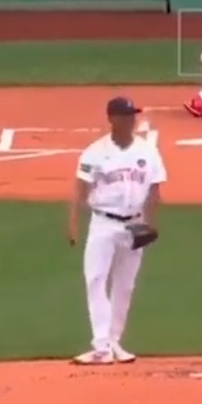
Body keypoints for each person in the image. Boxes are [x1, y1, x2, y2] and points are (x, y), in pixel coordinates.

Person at [69, 96, 167, 366]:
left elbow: (155, 189)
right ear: (111, 118)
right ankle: (100, 345)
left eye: (133, 115)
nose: (131, 120)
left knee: (125, 285)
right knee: (96, 279)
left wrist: (149, 221)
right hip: (103, 222)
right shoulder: (94, 152)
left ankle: (114, 342)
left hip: (133, 224)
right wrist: (73, 223)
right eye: (125, 116)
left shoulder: (148, 151)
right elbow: (81, 188)